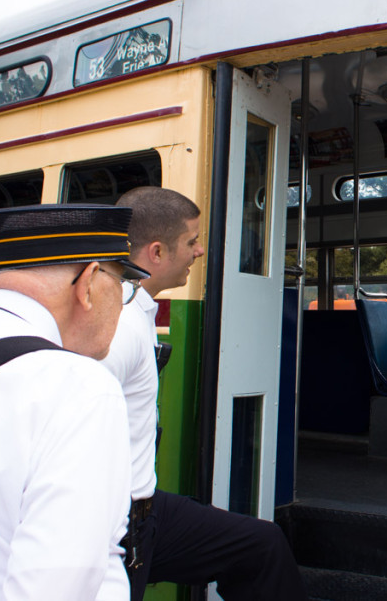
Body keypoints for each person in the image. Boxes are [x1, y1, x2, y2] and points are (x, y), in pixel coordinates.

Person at [0, 203, 149, 599]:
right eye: (122, 285)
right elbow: (59, 583)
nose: (121, 305)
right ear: (88, 283)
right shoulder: (80, 387)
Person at [102, 186, 306, 600]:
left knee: (261, 548)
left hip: (143, 503)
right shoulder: (118, 326)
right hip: (117, 517)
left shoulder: (136, 307)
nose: (199, 252)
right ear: (156, 253)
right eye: (191, 241)